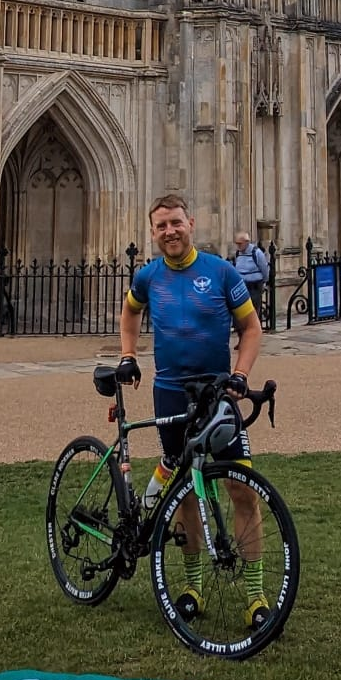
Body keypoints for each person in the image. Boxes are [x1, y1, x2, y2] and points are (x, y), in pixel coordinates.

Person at [118, 193, 267, 622]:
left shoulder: (220, 272)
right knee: (185, 492)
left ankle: (255, 595)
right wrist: (129, 354)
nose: (170, 231)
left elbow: (252, 328)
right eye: (161, 225)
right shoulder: (148, 277)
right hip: (169, 393)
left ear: (191, 223)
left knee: (241, 488)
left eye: (176, 223)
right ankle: (193, 586)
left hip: (218, 396)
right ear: (152, 231)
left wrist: (240, 374)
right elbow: (130, 313)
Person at [232, 228, 271, 327]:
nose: (238, 246)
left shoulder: (256, 253)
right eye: (237, 243)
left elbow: (264, 268)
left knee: (253, 309)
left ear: (246, 242)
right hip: (242, 285)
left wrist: (265, 282)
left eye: (240, 243)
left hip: (254, 285)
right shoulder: (238, 253)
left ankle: (253, 328)